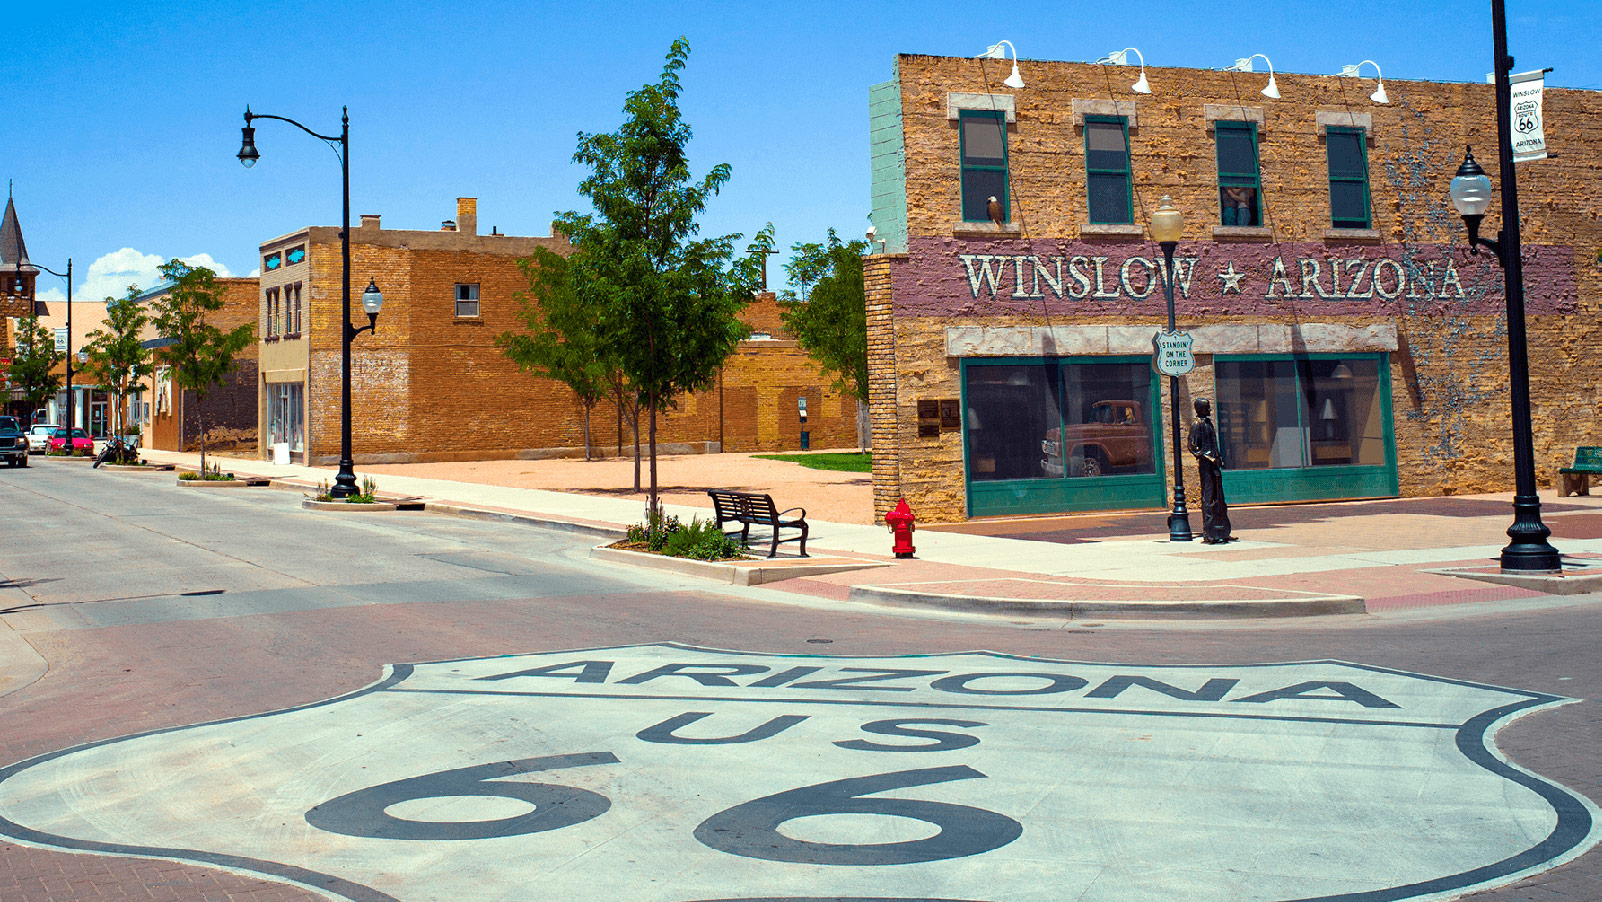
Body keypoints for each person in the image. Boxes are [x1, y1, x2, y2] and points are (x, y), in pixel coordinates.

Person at [1187, 398, 1234, 544]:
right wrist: (1208, 458)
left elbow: (1213, 443)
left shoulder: (1209, 423)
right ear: (1200, 409)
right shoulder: (1197, 424)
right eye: (1207, 408)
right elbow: (1192, 447)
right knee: (1208, 497)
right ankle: (1208, 532)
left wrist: (1218, 457)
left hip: (1215, 463)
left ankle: (1222, 529)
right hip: (1206, 465)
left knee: (1220, 497)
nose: (1210, 410)